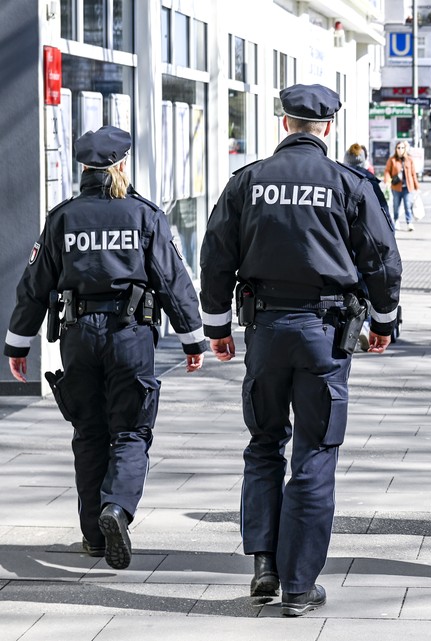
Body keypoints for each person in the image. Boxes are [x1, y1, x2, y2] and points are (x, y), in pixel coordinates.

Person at [199, 83, 402, 617]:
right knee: (315, 450)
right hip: (326, 330)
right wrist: (383, 320)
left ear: (283, 124)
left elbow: (216, 254)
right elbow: (380, 257)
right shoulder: (348, 182)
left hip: (265, 329)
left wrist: (216, 324)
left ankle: (264, 562)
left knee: (264, 442)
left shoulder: (248, 181)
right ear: (328, 128)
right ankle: (298, 584)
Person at [4, 125, 206, 570]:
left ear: (82, 169)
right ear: (122, 165)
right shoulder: (144, 215)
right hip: (130, 334)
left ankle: (94, 537)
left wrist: (18, 345)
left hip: (77, 337)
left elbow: (34, 285)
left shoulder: (62, 218)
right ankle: (117, 507)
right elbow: (172, 280)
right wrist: (193, 337)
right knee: (130, 431)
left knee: (89, 434)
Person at [382, 141, 419, 231]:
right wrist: (387, 181)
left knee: (407, 205)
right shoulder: (392, 160)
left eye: (402, 148)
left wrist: (416, 186)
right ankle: (396, 220)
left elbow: (413, 173)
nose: (400, 150)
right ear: (396, 149)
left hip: (407, 187)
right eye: (398, 148)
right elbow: (387, 171)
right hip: (396, 187)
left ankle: (409, 222)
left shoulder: (409, 160)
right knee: (396, 205)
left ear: (405, 149)